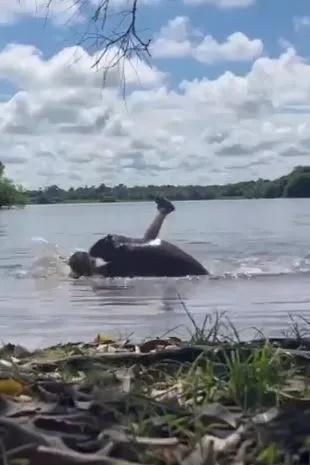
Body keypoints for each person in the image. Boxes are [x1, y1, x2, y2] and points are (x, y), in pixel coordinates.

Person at [68, 197, 208, 278]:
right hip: (160, 249)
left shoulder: (114, 267)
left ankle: (164, 211)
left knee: (202, 277)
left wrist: (82, 276)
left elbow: (100, 273)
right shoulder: (103, 249)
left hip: (170, 259)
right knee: (141, 246)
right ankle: (164, 211)